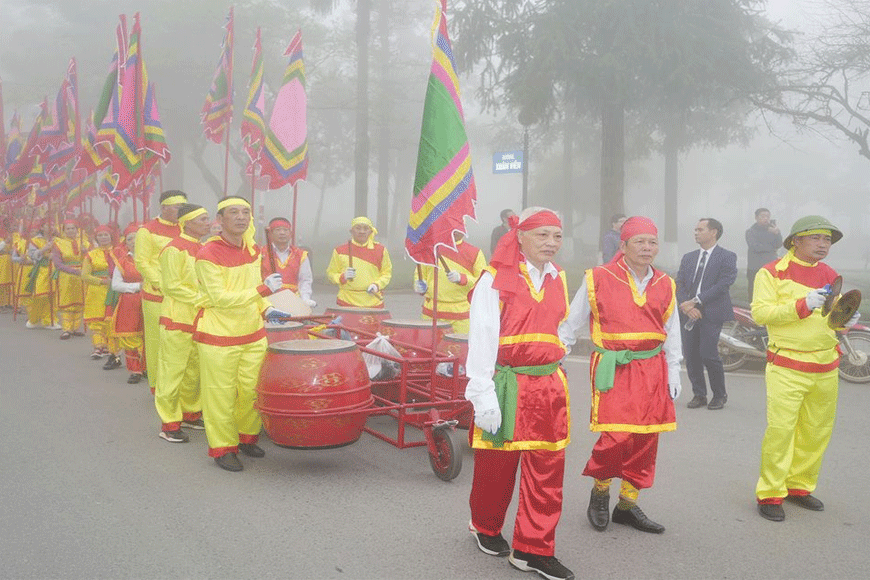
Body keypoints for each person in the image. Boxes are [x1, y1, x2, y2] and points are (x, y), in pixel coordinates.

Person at [465, 207, 574, 580]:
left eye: (557, 236)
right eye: (542, 235)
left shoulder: (559, 277)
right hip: (506, 383)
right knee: (497, 466)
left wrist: (557, 354)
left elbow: (560, 326)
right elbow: (481, 337)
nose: (551, 243)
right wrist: (482, 393)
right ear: (520, 237)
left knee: (547, 469)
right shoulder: (494, 279)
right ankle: (485, 525)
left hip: (548, 385)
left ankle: (532, 549)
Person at [559, 216, 682, 535]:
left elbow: (672, 330)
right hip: (614, 367)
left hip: (653, 368)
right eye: (639, 241)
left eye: (652, 242)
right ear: (623, 245)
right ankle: (600, 493)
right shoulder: (597, 278)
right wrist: (555, 356)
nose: (647, 247)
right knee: (615, 437)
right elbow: (571, 323)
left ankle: (627, 505)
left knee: (644, 439)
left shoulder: (665, 283)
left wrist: (675, 368)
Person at [751, 215, 859, 522]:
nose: (823, 244)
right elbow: (760, 313)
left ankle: (799, 486)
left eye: (827, 240)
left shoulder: (830, 273)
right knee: (781, 432)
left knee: (816, 431)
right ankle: (771, 492)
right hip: (787, 365)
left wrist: (844, 320)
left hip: (826, 364)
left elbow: (832, 318)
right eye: (816, 238)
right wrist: (801, 305)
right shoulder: (771, 272)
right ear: (795, 240)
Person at [194, 196, 285, 472]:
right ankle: (223, 448)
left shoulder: (253, 249)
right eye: (233, 212)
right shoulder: (207, 254)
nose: (241, 217)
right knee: (219, 395)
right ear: (219, 221)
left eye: (245, 212)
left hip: (253, 333)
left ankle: (246, 437)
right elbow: (219, 298)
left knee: (251, 391)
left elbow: (253, 286)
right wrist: (262, 292)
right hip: (218, 335)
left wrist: (267, 308)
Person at [154, 204, 212, 444]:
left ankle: (190, 413)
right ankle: (169, 423)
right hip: (178, 317)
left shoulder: (205, 248)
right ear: (187, 222)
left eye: (208, 219)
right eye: (203, 219)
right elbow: (170, 285)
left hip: (200, 317)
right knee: (172, 371)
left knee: (193, 370)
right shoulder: (173, 249)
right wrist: (201, 298)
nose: (208, 223)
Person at [675, 218, 737, 410]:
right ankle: (699, 394)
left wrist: (696, 301)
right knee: (691, 355)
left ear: (713, 232)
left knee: (708, 354)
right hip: (688, 312)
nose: (696, 233)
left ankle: (719, 395)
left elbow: (723, 284)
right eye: (695, 229)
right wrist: (687, 307)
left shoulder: (727, 256)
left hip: (711, 311)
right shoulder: (689, 257)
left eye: (700, 229)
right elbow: (680, 283)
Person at [134, 190, 187, 390]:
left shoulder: (185, 228)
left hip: (183, 294)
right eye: (177, 206)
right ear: (164, 207)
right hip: (157, 294)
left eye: (184, 206)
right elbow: (142, 262)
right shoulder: (146, 230)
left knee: (180, 340)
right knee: (158, 340)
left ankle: (180, 384)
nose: (182, 210)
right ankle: (158, 385)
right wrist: (162, 284)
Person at [413, 231, 487, 333]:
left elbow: (482, 283)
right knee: (427, 347)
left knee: (460, 347)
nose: (455, 232)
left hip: (461, 316)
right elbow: (420, 273)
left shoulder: (475, 253)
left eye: (459, 228)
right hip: (431, 312)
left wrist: (462, 278)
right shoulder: (430, 249)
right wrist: (419, 285)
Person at [325, 216, 392, 308]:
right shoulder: (339, 250)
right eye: (358, 228)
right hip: (346, 301)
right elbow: (331, 273)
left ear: (371, 231)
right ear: (351, 231)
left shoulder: (381, 250)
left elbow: (386, 273)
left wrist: (377, 285)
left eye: (365, 228)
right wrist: (342, 277)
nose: (362, 231)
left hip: (373, 302)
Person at [110, 223, 146, 384]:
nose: (135, 241)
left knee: (148, 336)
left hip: (150, 301)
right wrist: (137, 286)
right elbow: (115, 285)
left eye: (138, 238)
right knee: (131, 337)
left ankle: (147, 367)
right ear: (126, 242)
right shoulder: (122, 262)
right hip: (130, 302)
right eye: (131, 238)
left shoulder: (153, 259)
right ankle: (135, 370)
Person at [261, 217, 315, 307]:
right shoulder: (261, 253)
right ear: (270, 234)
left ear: (290, 234)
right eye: (278, 230)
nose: (282, 233)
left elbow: (305, 280)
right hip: (267, 301)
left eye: (285, 230)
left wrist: (305, 298)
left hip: (293, 300)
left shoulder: (300, 255)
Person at [81, 225, 117, 359]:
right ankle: (98, 346)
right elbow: (85, 275)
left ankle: (109, 347)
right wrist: (101, 281)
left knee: (110, 319)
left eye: (106, 235)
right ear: (96, 238)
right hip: (96, 290)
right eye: (100, 235)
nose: (103, 238)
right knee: (96, 320)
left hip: (114, 290)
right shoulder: (91, 254)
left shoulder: (119, 252)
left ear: (111, 236)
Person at [52, 218, 90, 339]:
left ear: (77, 229)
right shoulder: (58, 243)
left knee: (79, 302)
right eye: (68, 228)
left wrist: (86, 252)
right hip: (66, 276)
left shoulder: (84, 243)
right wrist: (74, 271)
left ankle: (75, 328)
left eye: (73, 228)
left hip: (81, 275)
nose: (70, 231)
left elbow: (91, 260)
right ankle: (66, 329)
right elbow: (58, 264)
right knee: (67, 302)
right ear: (64, 230)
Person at [24, 220, 59, 330]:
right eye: (48, 225)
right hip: (42, 270)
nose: (51, 227)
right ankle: (33, 319)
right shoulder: (35, 240)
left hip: (55, 270)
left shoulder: (58, 240)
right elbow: (32, 255)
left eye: (52, 224)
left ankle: (50, 320)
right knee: (41, 295)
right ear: (42, 227)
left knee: (53, 296)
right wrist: (44, 249)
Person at [745, 208, 781, 302]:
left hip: (771, 267)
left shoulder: (773, 231)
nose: (766, 219)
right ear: (756, 218)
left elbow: (779, 244)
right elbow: (756, 247)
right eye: (763, 216)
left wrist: (777, 234)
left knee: (771, 292)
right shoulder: (750, 232)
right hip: (755, 268)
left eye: (768, 217)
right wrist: (771, 248)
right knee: (754, 293)